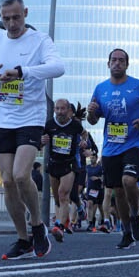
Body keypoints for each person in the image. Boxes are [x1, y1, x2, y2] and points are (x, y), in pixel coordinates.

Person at [0, 0, 64, 260]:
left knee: (22, 175)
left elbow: (58, 67)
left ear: (25, 13)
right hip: (2, 120)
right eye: (6, 19)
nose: (11, 23)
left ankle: (38, 226)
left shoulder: (39, 40)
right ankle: (23, 239)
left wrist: (23, 71)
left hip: (30, 118)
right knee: (8, 181)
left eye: (16, 17)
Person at [87, 47, 139, 250]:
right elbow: (93, 120)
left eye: (121, 60)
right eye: (114, 60)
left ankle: (134, 214)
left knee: (128, 180)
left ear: (127, 64)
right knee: (117, 191)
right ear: (108, 63)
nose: (117, 63)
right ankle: (127, 231)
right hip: (111, 147)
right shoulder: (101, 88)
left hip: (134, 143)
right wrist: (90, 113)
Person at [42, 99, 84, 240]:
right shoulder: (50, 124)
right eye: (57, 109)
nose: (60, 112)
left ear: (68, 110)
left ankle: (59, 226)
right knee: (58, 198)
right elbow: (40, 140)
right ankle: (63, 220)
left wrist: (84, 142)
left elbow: (85, 134)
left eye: (63, 109)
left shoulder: (75, 125)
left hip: (69, 164)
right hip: (53, 164)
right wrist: (42, 141)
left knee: (63, 194)